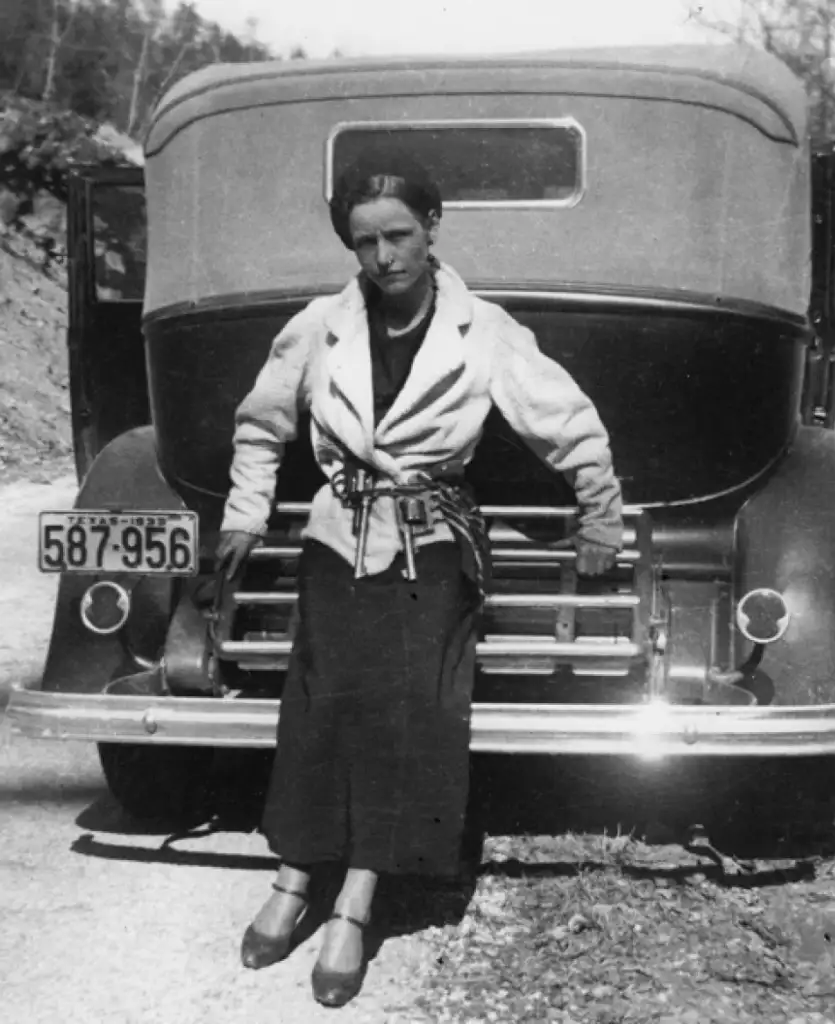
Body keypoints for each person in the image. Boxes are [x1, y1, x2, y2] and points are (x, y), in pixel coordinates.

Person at [216, 151, 623, 1008]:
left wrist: (599, 514)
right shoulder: (318, 325)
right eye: (363, 242)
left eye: (398, 235)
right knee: (319, 708)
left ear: (431, 228)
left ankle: (355, 906)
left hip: (428, 544)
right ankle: (294, 879)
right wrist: (245, 516)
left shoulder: (486, 331)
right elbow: (260, 427)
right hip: (336, 540)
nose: (383, 257)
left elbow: (568, 424)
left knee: (404, 718)